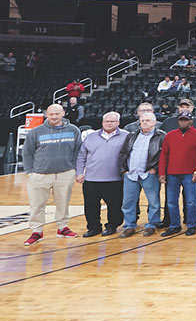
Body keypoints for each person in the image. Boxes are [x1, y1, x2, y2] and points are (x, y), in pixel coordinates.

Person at [20, 103, 82, 246]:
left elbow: (78, 151)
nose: (54, 116)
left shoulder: (74, 130)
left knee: (63, 203)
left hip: (65, 173)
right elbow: (27, 152)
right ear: (46, 115)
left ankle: (62, 228)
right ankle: (37, 231)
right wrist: (30, 172)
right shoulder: (36, 131)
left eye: (57, 114)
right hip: (40, 174)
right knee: (37, 205)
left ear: (63, 114)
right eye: (51, 114)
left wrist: (76, 170)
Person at [74, 111, 127, 237]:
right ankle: (93, 227)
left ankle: (112, 226)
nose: (109, 123)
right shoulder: (91, 137)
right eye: (106, 121)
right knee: (91, 206)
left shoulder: (126, 136)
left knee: (114, 206)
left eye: (112, 121)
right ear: (102, 122)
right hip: (91, 178)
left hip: (114, 179)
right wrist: (79, 172)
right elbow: (81, 156)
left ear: (118, 123)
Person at [158, 112, 196, 237]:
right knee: (171, 201)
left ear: (191, 121)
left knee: (191, 201)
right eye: (181, 120)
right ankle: (174, 225)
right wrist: (162, 172)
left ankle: (191, 225)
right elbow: (164, 154)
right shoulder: (170, 135)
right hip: (172, 174)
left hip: (190, 173)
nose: (183, 122)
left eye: (186, 120)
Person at [117, 112, 165, 237]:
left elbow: (164, 155)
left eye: (148, 120)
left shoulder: (161, 136)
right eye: (142, 120)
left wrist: (155, 169)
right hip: (131, 174)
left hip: (149, 174)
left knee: (153, 201)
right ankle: (129, 225)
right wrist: (124, 170)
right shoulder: (132, 135)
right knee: (128, 202)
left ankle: (152, 224)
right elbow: (123, 153)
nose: (144, 122)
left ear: (154, 122)